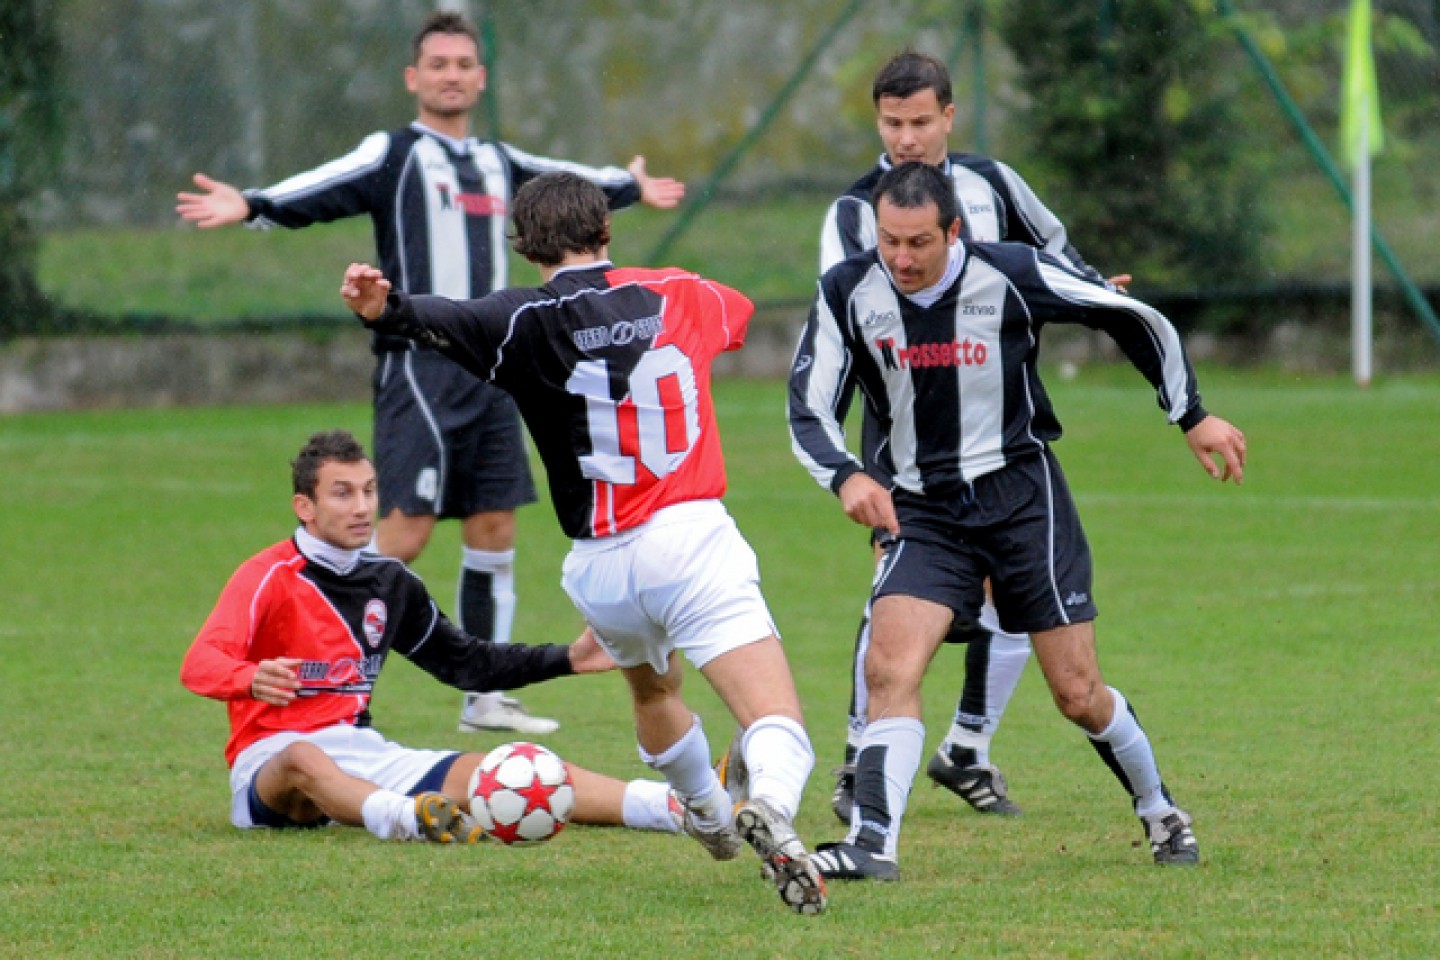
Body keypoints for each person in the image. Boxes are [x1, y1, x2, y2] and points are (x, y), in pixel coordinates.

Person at [176, 10, 685, 738]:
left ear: (480, 77)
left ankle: (484, 700)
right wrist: (253, 204)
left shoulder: (495, 160)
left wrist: (627, 187)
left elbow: (568, 184)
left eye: (463, 64)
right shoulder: (396, 153)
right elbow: (328, 185)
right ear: (415, 79)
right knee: (403, 532)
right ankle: (331, 672)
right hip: (419, 359)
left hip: (491, 361)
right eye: (437, 64)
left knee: (493, 523)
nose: (451, 75)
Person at [341, 172, 827, 915]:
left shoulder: (516, 321)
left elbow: (441, 318)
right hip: (689, 536)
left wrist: (387, 307)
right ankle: (772, 808)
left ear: (524, 243)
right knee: (774, 720)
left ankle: (705, 813)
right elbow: (737, 315)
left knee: (654, 690)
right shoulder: (682, 290)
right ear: (605, 227)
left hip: (600, 566)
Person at [789, 161, 1246, 880]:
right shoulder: (849, 290)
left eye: (918, 243)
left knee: (1077, 693)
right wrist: (846, 473)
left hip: (1022, 504)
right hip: (923, 510)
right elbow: (808, 407)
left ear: (954, 233)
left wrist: (1190, 414)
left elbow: (1131, 316)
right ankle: (872, 843)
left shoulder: (1009, 274)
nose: (901, 259)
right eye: (888, 241)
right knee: (890, 667)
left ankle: (1160, 811)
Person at [818, 49, 1130, 825]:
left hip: (1000, 428)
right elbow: (844, 326)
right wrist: (861, 465)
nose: (907, 137)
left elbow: (1054, 249)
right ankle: (862, 757)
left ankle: (967, 747)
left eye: (921, 121)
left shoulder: (993, 184)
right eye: (892, 123)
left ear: (948, 117)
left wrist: (1095, 291)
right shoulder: (856, 211)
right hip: (904, 444)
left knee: (1016, 591)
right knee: (898, 599)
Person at [180, 429, 685, 843]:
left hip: (361, 753)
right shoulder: (267, 575)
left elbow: (468, 664)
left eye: (369, 490)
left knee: (509, 769)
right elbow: (199, 663)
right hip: (270, 761)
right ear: (305, 506)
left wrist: (567, 659)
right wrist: (248, 677)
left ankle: (677, 808)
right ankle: (406, 820)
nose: (362, 507)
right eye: (342, 493)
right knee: (303, 758)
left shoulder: (390, 582)